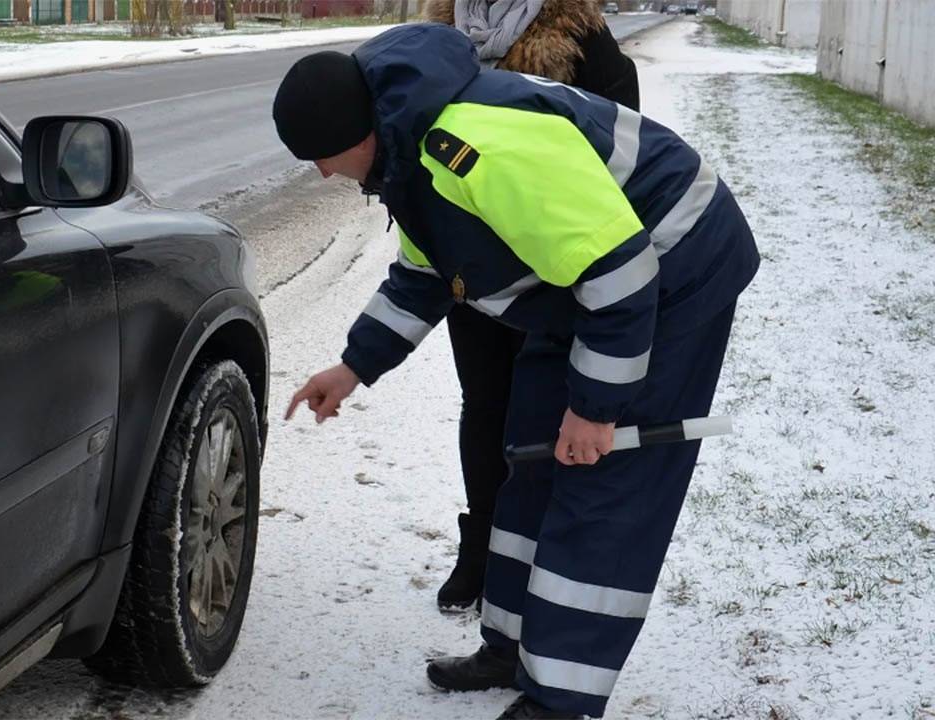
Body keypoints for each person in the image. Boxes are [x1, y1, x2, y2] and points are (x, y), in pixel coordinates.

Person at [272, 23, 757, 720]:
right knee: (530, 451)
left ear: (359, 130)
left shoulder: (476, 149)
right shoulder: (409, 154)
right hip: (580, 291)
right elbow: (424, 273)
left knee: (599, 479)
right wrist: (353, 368)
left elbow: (621, 277)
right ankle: (513, 644)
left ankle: (559, 699)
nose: (320, 172)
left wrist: (595, 408)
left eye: (321, 156)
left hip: (671, 267)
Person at [421, 0, 642, 614]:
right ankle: (482, 547)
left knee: (541, 409)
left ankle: (539, 551)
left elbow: (620, 131)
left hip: (550, 266)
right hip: (469, 255)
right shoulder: (438, 31)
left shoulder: (579, 30)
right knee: (483, 403)